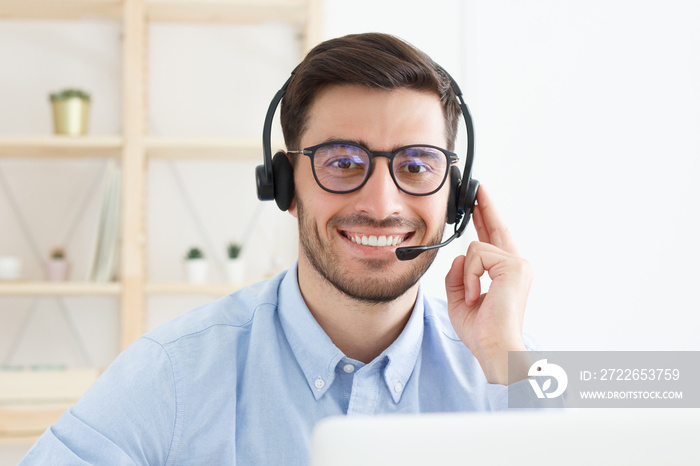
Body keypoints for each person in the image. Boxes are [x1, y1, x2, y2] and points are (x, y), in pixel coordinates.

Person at [22, 33, 544, 465]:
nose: (383, 204)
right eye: (342, 162)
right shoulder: (173, 373)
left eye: (415, 165)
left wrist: (507, 360)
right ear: (284, 186)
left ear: (454, 195)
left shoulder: (504, 367)